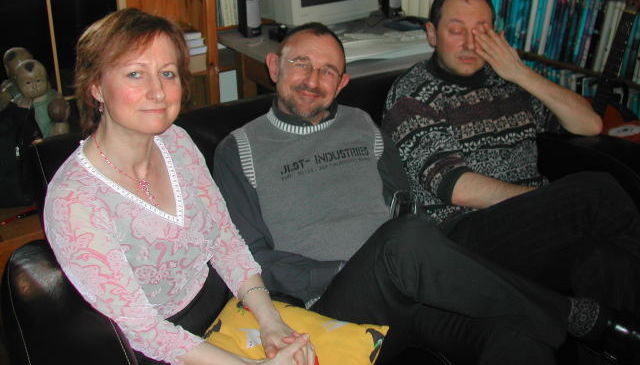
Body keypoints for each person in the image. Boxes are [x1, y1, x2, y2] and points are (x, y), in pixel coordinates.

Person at [212, 22, 639, 365]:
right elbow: (251, 257)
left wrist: (424, 255)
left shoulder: (361, 124)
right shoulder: (239, 148)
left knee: (516, 337)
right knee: (405, 241)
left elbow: (405, 200)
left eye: (327, 71)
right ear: (274, 66)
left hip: (412, 281)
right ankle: (580, 318)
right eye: (301, 63)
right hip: (337, 302)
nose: (312, 79)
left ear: (342, 83)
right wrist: (346, 268)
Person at [43, 8, 315, 365]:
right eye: (135, 74)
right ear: (96, 87)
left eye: (167, 73)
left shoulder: (176, 142)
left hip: (225, 310)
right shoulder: (73, 201)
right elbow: (144, 330)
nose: (158, 92)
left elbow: (224, 240)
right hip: (163, 351)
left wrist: (270, 321)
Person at [382, 0, 640, 360]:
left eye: (481, 31)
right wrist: (550, 204)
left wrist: (520, 73)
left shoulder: (506, 83)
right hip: (458, 238)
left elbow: (589, 123)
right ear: (432, 34)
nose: (470, 43)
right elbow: (454, 185)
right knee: (596, 192)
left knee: (602, 260)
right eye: (456, 30)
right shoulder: (413, 94)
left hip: (528, 233)